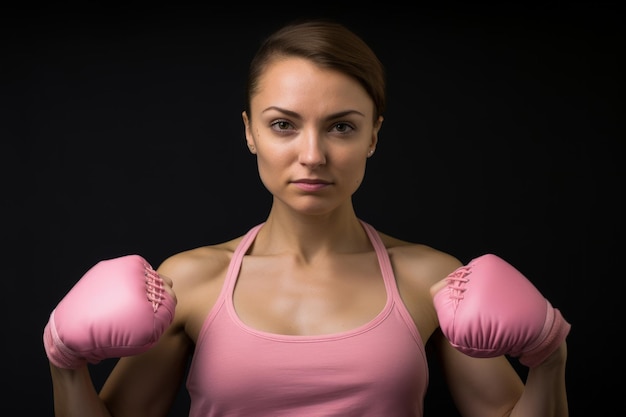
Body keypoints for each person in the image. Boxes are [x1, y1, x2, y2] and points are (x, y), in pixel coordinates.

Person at [44, 18, 571, 417]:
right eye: (284, 125)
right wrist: (64, 364)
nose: (313, 154)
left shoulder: (431, 279)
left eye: (341, 127)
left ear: (374, 136)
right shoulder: (190, 280)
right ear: (250, 131)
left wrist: (550, 357)